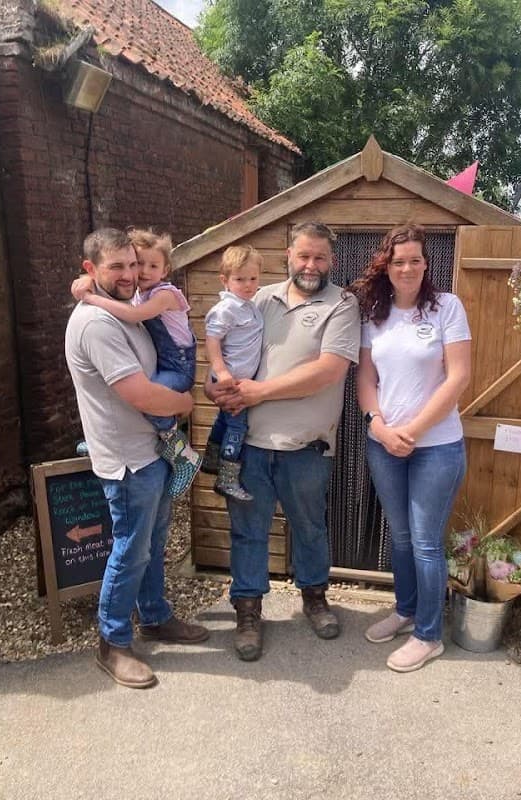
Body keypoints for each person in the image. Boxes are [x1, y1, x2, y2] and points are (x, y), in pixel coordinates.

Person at [206, 222, 360, 662]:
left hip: (307, 446)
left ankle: (314, 598)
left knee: (310, 527)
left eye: (320, 258)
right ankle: (249, 611)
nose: (311, 265)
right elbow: (222, 351)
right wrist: (214, 383)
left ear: (332, 261)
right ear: (288, 256)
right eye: (303, 256)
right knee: (248, 532)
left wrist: (258, 392)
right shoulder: (255, 297)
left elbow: (327, 371)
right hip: (250, 443)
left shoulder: (343, 305)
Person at [65, 228, 209, 689]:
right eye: (117, 267)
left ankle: (155, 616)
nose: (129, 275)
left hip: (152, 453)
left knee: (152, 544)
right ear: (91, 269)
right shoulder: (96, 324)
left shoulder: (129, 311)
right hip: (127, 460)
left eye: (133, 264)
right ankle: (113, 643)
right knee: (131, 550)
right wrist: (186, 404)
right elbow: (139, 394)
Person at [351, 224, 471, 672]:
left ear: (427, 263)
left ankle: (429, 634)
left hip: (436, 447)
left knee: (424, 542)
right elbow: (365, 378)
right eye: (398, 260)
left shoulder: (446, 308)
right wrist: (379, 427)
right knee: (399, 537)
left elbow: (458, 377)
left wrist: (414, 430)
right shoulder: (375, 314)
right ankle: (406, 611)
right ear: (387, 265)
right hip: (383, 443)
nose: (407, 268)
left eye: (415, 260)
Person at [71, 228, 201, 498]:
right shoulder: (108, 315)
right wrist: (90, 279)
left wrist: (92, 294)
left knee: (155, 399)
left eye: (146, 265)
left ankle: (183, 455)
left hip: (178, 366)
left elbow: (133, 314)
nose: (138, 273)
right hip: (132, 461)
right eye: (137, 263)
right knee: (151, 397)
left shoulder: (164, 294)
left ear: (165, 271)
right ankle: (172, 451)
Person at [202, 245, 264, 502]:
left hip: (237, 375)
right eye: (240, 279)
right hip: (232, 379)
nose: (248, 285)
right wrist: (220, 371)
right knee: (238, 424)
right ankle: (227, 478)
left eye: (253, 279)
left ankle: (211, 459)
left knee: (224, 421)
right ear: (225, 280)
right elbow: (212, 340)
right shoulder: (226, 309)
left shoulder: (247, 305)